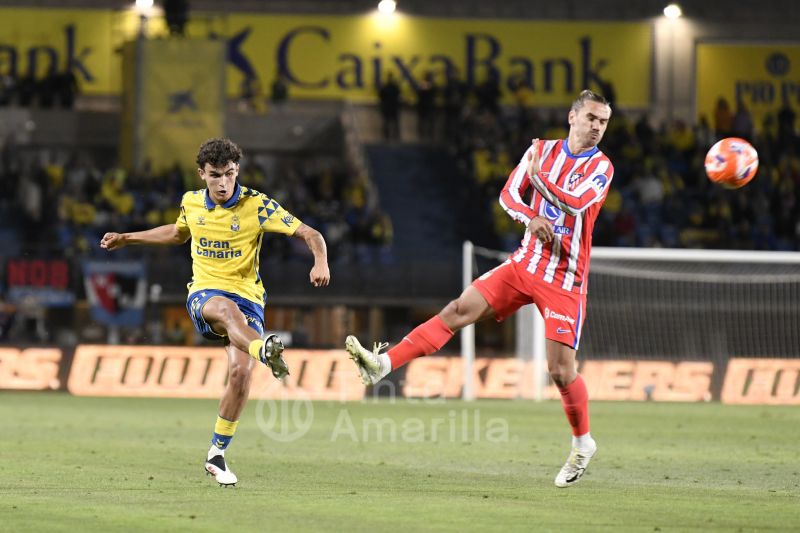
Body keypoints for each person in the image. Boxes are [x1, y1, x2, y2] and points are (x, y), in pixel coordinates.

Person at [346, 90, 614, 488]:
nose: (596, 127)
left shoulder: (602, 167)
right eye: (591, 117)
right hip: (525, 264)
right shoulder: (540, 149)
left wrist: (539, 183)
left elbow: (575, 204)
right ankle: (383, 365)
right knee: (457, 310)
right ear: (572, 117)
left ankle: (582, 442)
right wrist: (530, 218)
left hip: (565, 278)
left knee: (560, 371)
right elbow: (508, 195)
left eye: (603, 122)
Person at [100, 138, 330, 486]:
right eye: (215, 175)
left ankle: (216, 454)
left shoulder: (258, 205)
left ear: (237, 171)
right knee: (224, 309)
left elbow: (310, 233)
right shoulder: (191, 203)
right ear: (202, 174)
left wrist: (320, 261)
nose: (223, 183)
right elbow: (178, 234)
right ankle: (263, 349)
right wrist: (127, 238)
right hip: (206, 295)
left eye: (229, 174)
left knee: (240, 375)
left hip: (249, 297)